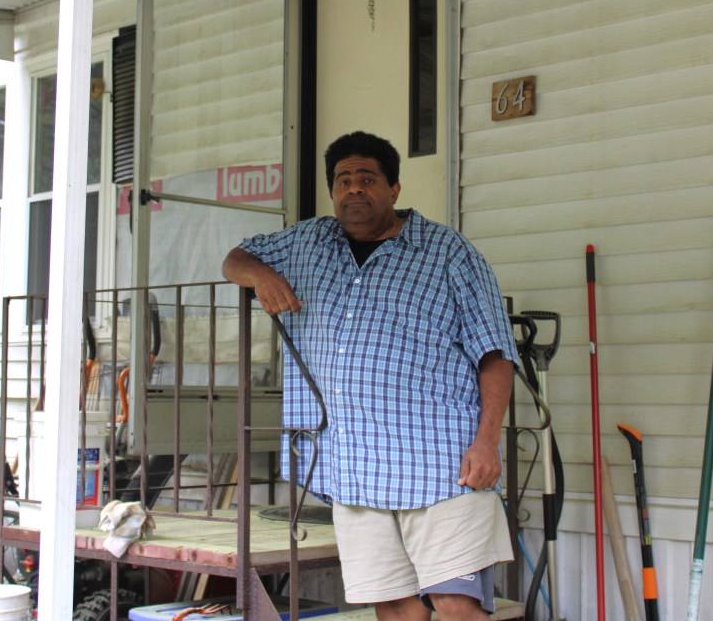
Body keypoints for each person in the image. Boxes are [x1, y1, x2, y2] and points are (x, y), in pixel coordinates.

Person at [222, 131, 519, 621]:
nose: (354, 189)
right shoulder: (306, 242)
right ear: (332, 191)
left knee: (456, 605)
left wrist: (487, 442)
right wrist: (261, 276)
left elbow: (496, 354)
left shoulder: (449, 254)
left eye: (367, 178)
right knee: (396, 606)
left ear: (395, 188)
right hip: (353, 465)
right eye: (343, 180)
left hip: (442, 465)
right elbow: (235, 258)